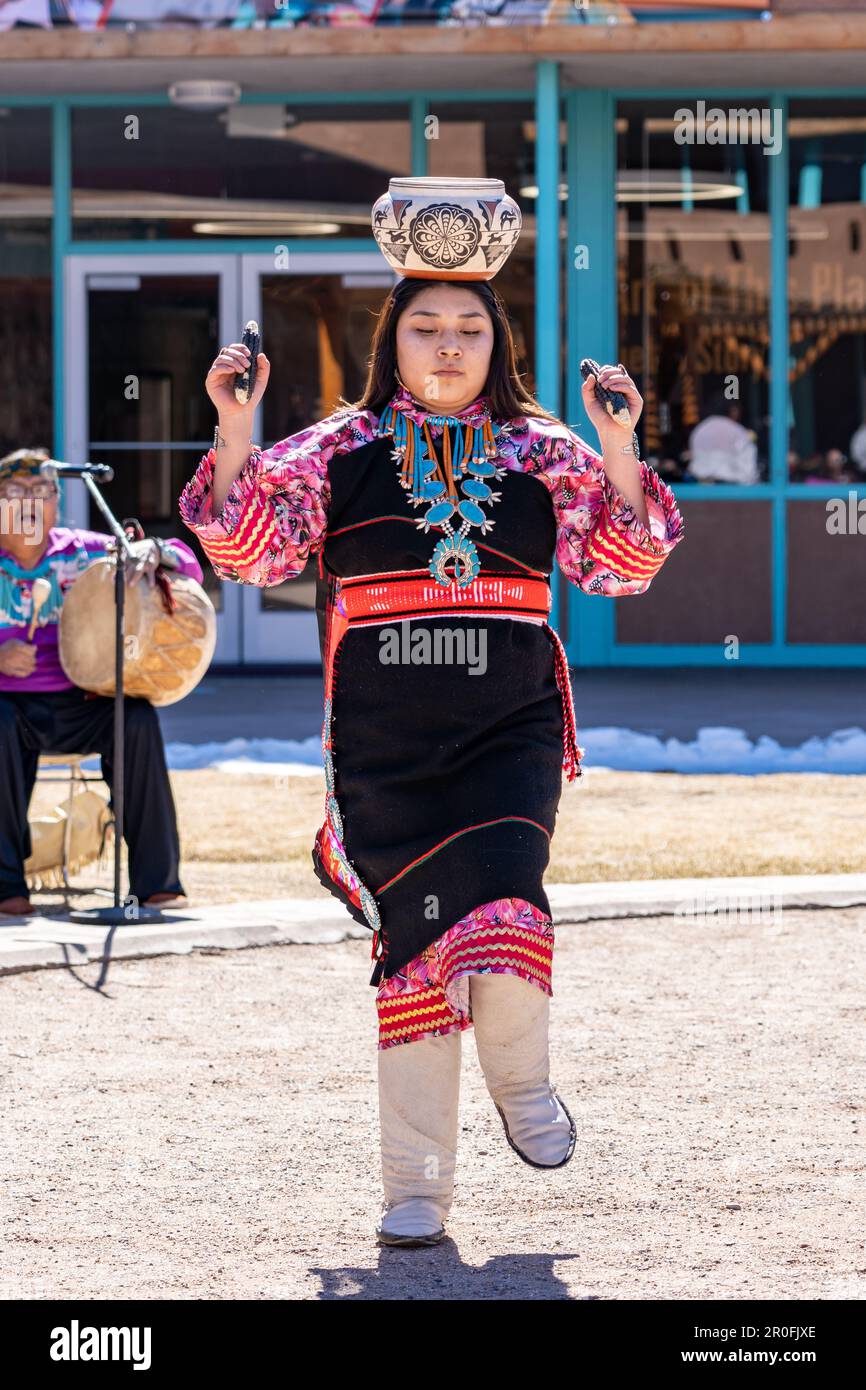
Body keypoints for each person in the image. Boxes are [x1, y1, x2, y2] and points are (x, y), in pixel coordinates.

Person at [179, 180, 685, 1248]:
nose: (447, 346)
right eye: (424, 326)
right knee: (410, 956)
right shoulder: (336, 448)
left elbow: (620, 564)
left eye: (468, 328)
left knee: (506, 910)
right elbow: (248, 547)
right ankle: (414, 1194)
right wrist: (232, 428)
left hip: (509, 722)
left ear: (495, 343)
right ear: (391, 339)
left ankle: (524, 1081)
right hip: (380, 733)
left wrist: (621, 444)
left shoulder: (547, 450)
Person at [0, 447, 203, 917]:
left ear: (57, 503)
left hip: (82, 700)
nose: (31, 502)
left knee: (135, 720)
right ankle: (6, 884)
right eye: (16, 492)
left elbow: (187, 566)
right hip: (8, 705)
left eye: (43, 491)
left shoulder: (84, 552)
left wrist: (156, 552)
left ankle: (156, 883)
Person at [687, 399, 759, 485]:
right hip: (730, 487)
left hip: (701, 487)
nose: (739, 413)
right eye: (736, 410)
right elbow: (748, 469)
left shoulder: (700, 429)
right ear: (731, 410)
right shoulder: (736, 430)